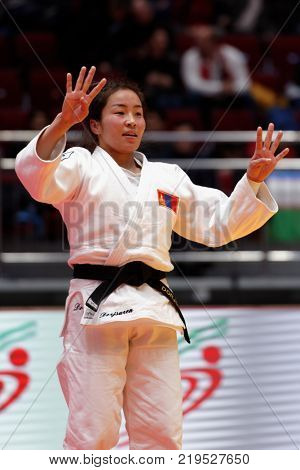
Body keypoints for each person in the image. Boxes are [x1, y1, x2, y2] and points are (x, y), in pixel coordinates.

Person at [15, 66, 289, 450]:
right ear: (94, 124)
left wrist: (254, 181)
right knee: (93, 433)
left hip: (154, 308)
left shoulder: (167, 176)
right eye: (120, 112)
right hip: (97, 306)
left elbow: (219, 224)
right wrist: (62, 122)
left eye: (138, 113)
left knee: (161, 432)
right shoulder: (80, 164)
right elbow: (36, 178)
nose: (132, 121)